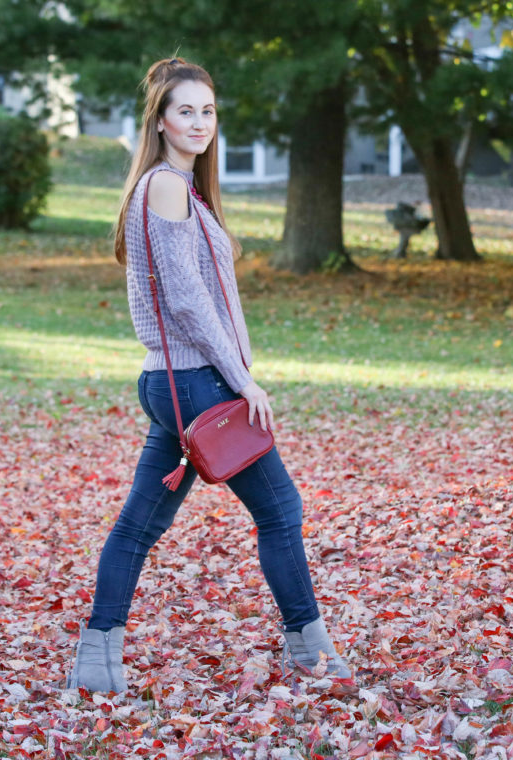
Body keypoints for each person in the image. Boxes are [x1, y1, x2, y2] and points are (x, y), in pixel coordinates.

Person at [66, 57, 350, 693]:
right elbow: (188, 299)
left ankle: (94, 662)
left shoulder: (178, 188)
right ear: (161, 122)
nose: (199, 122)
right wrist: (243, 380)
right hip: (197, 383)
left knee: (139, 525)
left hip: (174, 383)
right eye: (185, 111)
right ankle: (310, 652)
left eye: (208, 111)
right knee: (280, 509)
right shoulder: (165, 185)